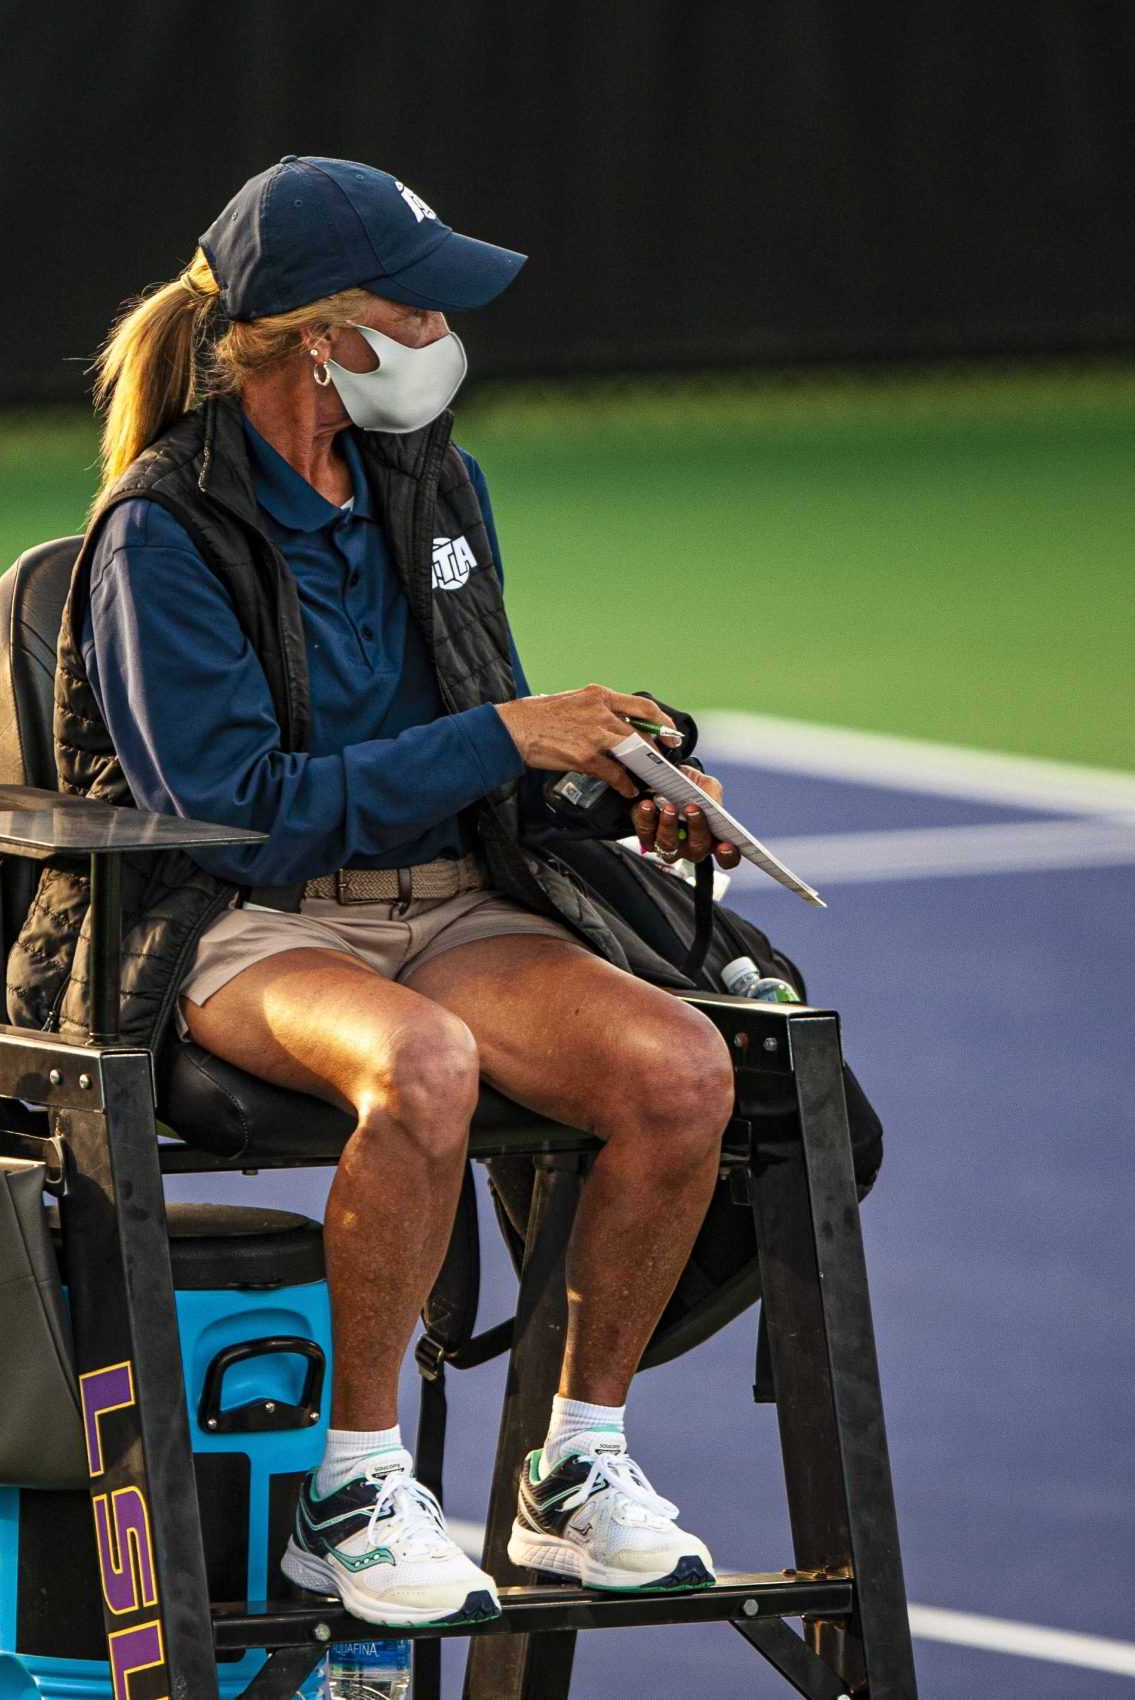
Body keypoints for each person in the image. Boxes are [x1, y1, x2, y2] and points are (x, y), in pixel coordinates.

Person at [59, 157, 741, 1626]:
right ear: (326, 336)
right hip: (238, 922)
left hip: (445, 901)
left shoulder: (435, 483)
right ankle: (351, 1490)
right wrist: (502, 734)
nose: (447, 333)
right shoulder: (161, 534)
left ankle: (576, 1471)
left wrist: (618, 791)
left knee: (683, 1069)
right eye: (420, 305)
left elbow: (474, 740)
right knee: (421, 1066)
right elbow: (236, 820)